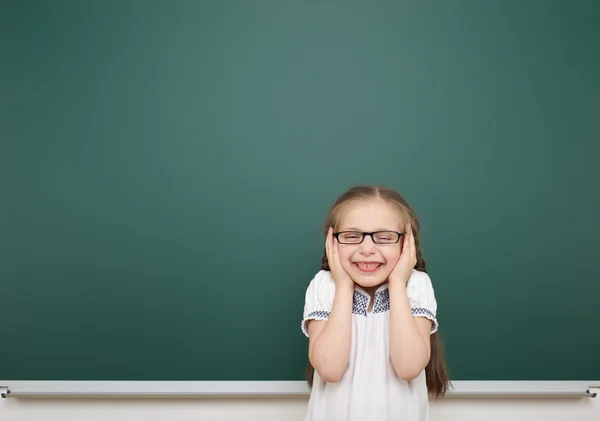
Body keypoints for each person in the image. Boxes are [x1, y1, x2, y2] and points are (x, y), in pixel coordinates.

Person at [301, 184, 449, 421]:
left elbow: (408, 367)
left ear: (407, 243)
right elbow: (330, 369)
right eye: (351, 236)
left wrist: (398, 284)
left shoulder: (416, 285)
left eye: (384, 237)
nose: (367, 249)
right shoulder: (325, 286)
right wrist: (344, 286)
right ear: (332, 241)